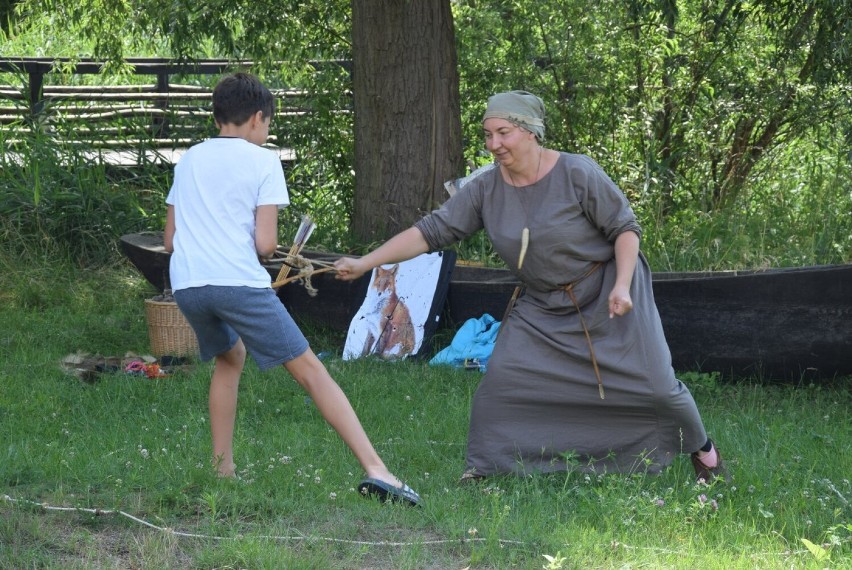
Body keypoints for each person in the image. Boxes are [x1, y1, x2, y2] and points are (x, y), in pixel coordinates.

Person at [334, 90, 728, 483]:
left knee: (657, 387)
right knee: (501, 382)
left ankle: (703, 451)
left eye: (503, 133)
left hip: (608, 290)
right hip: (542, 303)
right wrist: (367, 262)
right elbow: (432, 231)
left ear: (531, 131)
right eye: (488, 135)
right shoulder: (486, 189)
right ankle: (486, 469)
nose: (494, 144)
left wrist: (622, 286)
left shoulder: (577, 173)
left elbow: (625, 229)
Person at [163, 72, 420, 506]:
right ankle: (378, 470)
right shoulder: (263, 162)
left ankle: (222, 470)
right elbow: (265, 243)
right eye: (268, 125)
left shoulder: (189, 158)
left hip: (187, 285)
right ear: (258, 119)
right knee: (311, 371)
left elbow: (170, 241)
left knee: (231, 357)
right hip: (236, 285)